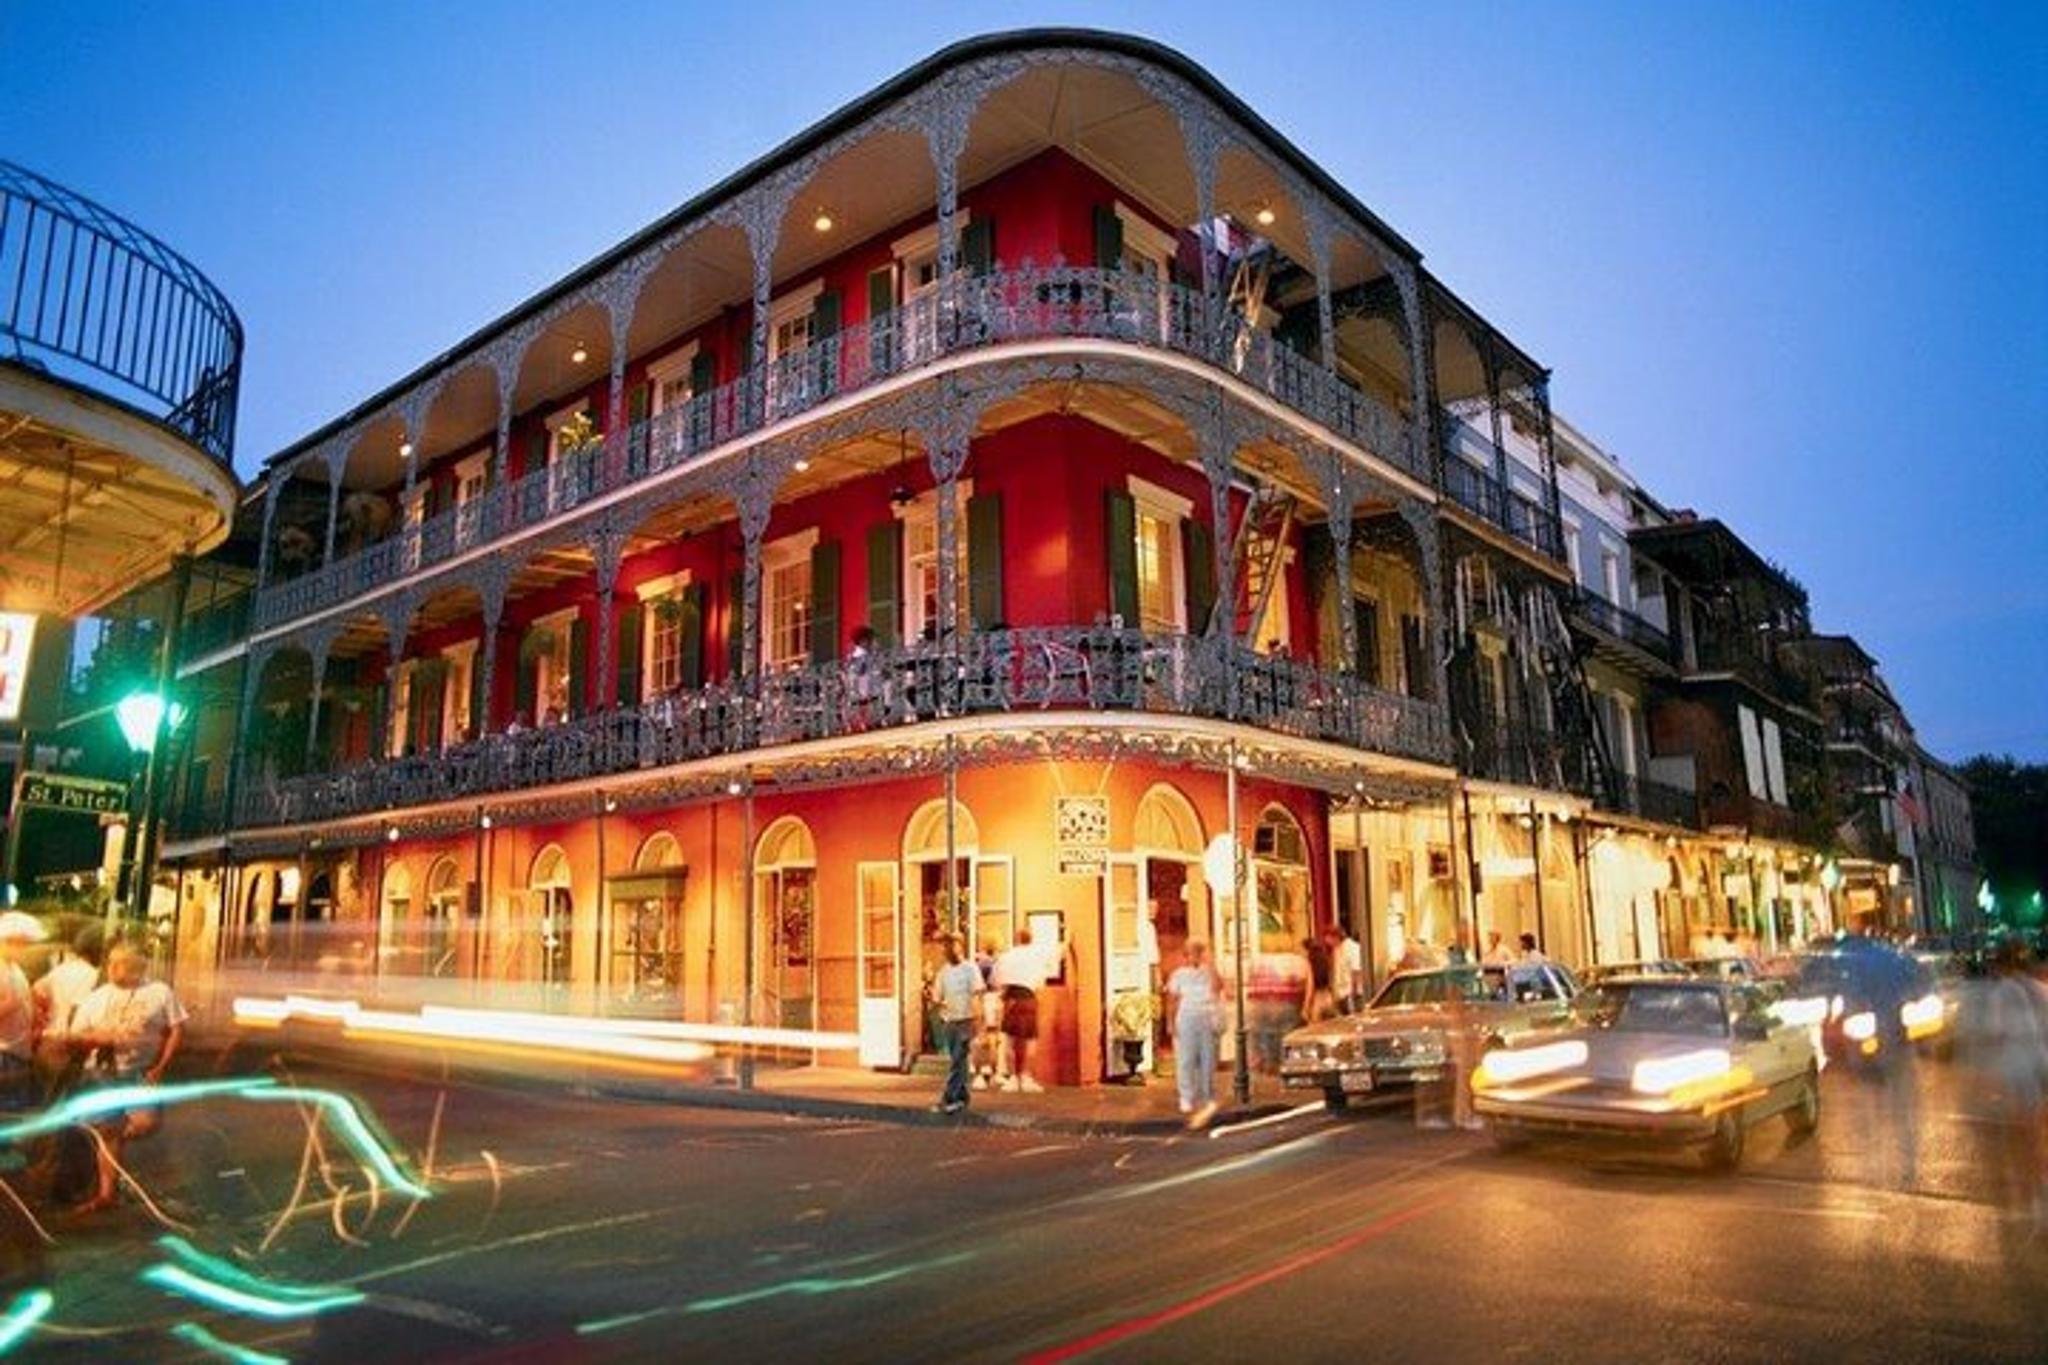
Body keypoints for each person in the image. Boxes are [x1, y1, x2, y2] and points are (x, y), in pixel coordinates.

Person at [66, 940, 189, 1214]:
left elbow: (177, 1028)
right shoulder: (96, 997)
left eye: (117, 963)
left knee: (146, 1123)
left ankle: (113, 1154)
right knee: (108, 1132)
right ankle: (106, 1193)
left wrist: (161, 1065)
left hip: (140, 1071)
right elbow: (75, 1037)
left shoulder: (159, 992)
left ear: (135, 967)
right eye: (110, 962)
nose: (110, 968)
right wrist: (95, 1039)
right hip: (102, 1072)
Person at [32, 924, 101, 1103]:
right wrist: (73, 1045)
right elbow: (75, 1010)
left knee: (47, 1102)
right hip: (66, 1047)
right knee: (62, 1106)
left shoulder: (61, 970)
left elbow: (36, 992)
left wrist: (43, 1020)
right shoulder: (91, 975)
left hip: (47, 1043)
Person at [1166, 940, 1223, 1127]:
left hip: (1207, 1017)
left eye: (1198, 952)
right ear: (1185, 955)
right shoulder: (1179, 975)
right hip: (1187, 1018)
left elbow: (1218, 986)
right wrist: (1170, 1022)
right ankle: (1186, 1097)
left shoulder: (1208, 972)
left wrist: (1210, 962)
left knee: (1207, 1060)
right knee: (1186, 1059)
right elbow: (1172, 1000)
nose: (1195, 957)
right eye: (1191, 953)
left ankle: (1207, 1095)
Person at [928, 934, 981, 1114]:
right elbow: (937, 997)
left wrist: (977, 1018)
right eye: (945, 947)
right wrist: (941, 1005)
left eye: (951, 946)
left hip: (965, 1019)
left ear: (960, 947)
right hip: (950, 1020)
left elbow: (976, 993)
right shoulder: (943, 972)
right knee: (958, 1060)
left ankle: (948, 1097)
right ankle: (962, 1098)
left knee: (958, 1058)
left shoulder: (970, 969)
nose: (948, 950)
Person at [993, 927, 1050, 1092]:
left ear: (1016, 939)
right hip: (1029, 997)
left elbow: (997, 980)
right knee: (1030, 1039)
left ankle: (1012, 1077)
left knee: (1010, 1040)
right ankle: (1026, 1076)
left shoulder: (1006, 956)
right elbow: (1041, 982)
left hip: (1011, 998)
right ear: (1031, 939)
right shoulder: (1036, 956)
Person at [0, 911, 44, 1110]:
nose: (27, 949)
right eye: (24, 943)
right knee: (8, 1116)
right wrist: (10, 1005)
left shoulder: (13, 969)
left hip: (16, 1052)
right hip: (5, 1054)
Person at [1302, 933, 1336, 1024]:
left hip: (1317, 1000)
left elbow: (1311, 986)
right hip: (1329, 998)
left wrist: (1306, 1007)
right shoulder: (1326, 960)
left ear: (1307, 950)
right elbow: (1332, 980)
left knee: (1315, 1031)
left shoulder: (1310, 963)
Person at [1333, 925, 1365, 1015]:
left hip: (1349, 993)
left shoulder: (1352, 948)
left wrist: (1353, 992)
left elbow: (1356, 970)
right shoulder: (1336, 949)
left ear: (1336, 937)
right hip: (1341, 993)